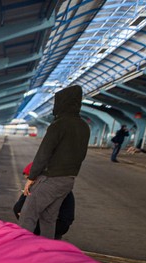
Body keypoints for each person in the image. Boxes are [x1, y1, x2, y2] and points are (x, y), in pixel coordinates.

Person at [21, 85, 89, 239]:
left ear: (63, 103)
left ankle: (20, 254)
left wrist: (31, 178)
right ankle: (46, 253)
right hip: (68, 180)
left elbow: (43, 153)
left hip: (51, 179)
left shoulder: (58, 125)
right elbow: (81, 155)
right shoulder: (84, 126)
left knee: (28, 216)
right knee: (49, 218)